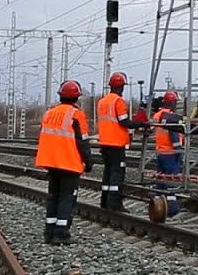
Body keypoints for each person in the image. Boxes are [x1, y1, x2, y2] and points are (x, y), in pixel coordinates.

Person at [35, 80, 92, 245]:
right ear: (77, 97)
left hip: (51, 162)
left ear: (60, 96)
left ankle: (49, 231)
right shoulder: (76, 115)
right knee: (67, 198)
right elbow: (83, 141)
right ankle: (61, 233)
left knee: (53, 197)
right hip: (69, 163)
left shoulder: (49, 113)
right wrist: (88, 162)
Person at [96, 71, 146, 212]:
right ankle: (115, 204)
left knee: (108, 173)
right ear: (122, 87)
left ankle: (104, 202)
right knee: (117, 174)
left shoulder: (102, 102)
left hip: (104, 143)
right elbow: (124, 121)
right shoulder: (118, 101)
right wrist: (140, 124)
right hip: (116, 144)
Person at [153, 90, 185, 217]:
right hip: (171, 153)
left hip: (160, 151)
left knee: (161, 180)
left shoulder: (158, 115)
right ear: (172, 103)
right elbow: (174, 134)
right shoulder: (171, 117)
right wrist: (179, 150)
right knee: (172, 181)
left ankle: (158, 204)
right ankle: (171, 208)